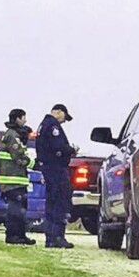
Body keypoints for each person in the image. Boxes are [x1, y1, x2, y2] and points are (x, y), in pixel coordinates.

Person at [36, 104, 79, 249]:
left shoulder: (43, 126)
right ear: (59, 112)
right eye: (64, 117)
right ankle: (57, 236)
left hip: (49, 168)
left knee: (51, 203)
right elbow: (58, 146)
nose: (64, 121)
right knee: (60, 202)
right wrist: (71, 150)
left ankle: (50, 237)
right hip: (56, 169)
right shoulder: (52, 126)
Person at [0, 109, 36, 245]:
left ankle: (20, 235)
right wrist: (34, 164)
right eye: (23, 118)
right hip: (12, 181)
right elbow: (18, 155)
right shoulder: (12, 136)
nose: (25, 121)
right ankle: (13, 236)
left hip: (17, 179)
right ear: (18, 119)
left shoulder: (13, 134)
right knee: (14, 211)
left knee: (20, 210)